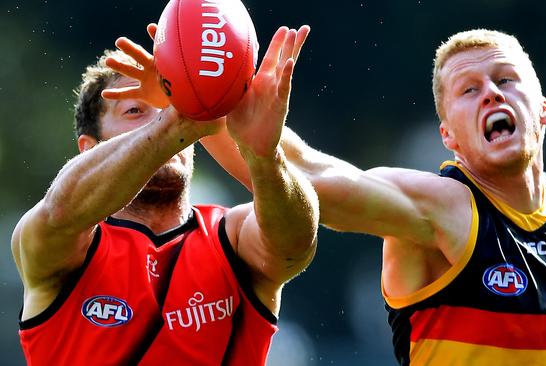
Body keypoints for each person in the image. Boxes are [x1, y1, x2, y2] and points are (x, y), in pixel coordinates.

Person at [113, 28, 546, 366]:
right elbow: (313, 177)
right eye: (469, 90)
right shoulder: (440, 207)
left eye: (506, 80)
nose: (491, 92)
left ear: (543, 108)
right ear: (450, 139)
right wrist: (205, 99)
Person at [11, 25, 318, 366]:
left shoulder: (230, 236)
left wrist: (265, 156)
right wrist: (180, 117)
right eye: (135, 111)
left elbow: (295, 243)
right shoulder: (63, 242)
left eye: (170, 107)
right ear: (89, 149)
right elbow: (61, 210)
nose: (163, 120)